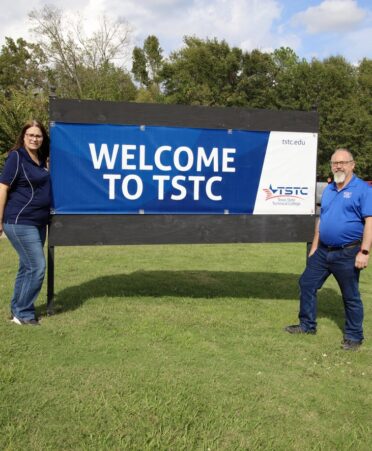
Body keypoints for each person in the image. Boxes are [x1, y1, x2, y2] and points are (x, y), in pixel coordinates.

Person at [285, 148, 372, 350]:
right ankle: (307, 325)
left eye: (343, 162)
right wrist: (314, 247)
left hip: (348, 253)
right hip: (323, 251)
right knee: (306, 283)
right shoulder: (330, 189)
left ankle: (354, 337)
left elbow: (370, 222)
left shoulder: (363, 190)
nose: (338, 166)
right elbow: (322, 219)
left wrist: (364, 251)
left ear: (352, 165)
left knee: (350, 295)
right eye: (335, 163)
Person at [0, 120, 51, 326]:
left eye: (38, 135)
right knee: (37, 267)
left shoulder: (40, 160)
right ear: (23, 137)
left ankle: (16, 309)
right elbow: (3, 187)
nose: (34, 138)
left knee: (26, 267)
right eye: (30, 135)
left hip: (38, 222)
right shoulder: (17, 157)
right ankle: (24, 313)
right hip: (20, 221)